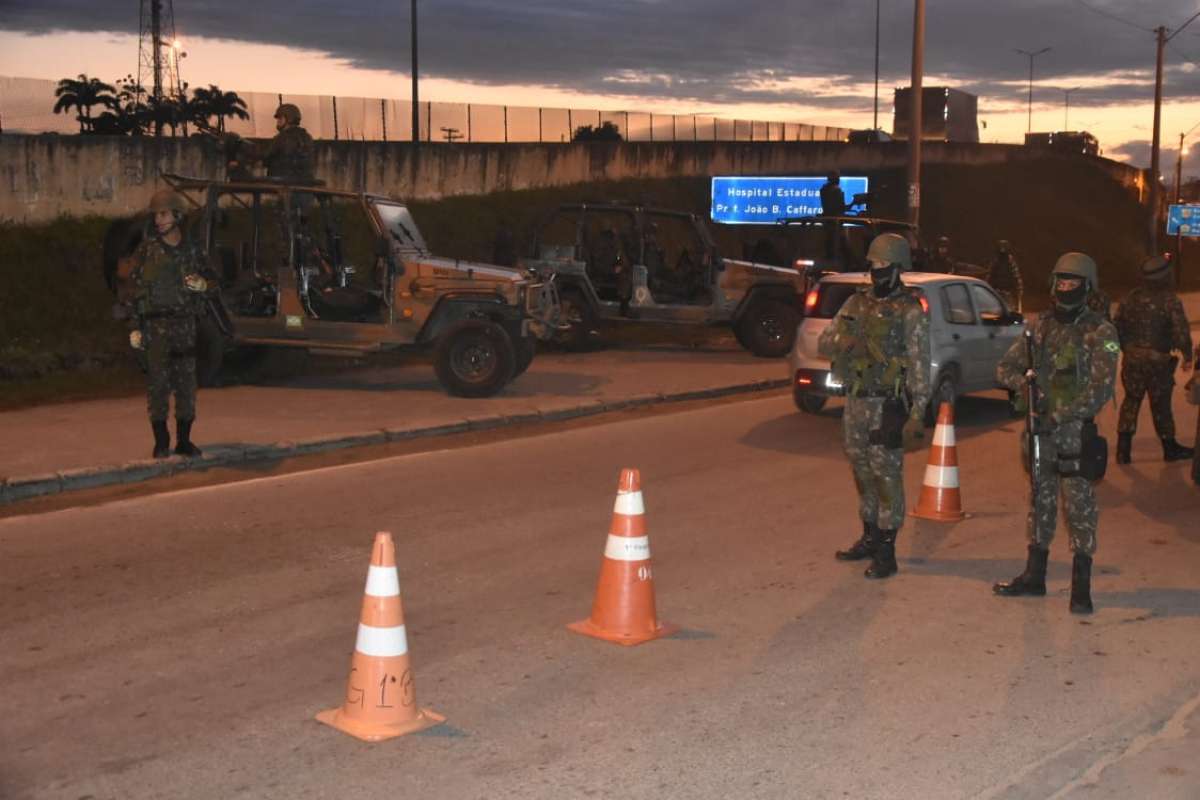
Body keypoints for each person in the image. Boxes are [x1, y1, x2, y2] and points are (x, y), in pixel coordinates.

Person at [993, 253, 1120, 614]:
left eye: (1072, 283)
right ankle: (1035, 577)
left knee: (1080, 508)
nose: (1064, 289)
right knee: (1040, 503)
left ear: (1087, 286)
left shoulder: (1101, 331)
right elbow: (1005, 367)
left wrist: (1061, 412)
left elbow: (1101, 387)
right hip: (1039, 433)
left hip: (1075, 434)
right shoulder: (1039, 327)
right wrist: (1027, 386)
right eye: (1060, 282)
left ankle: (1081, 588)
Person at [818, 233, 931, 580]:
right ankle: (868, 537)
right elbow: (826, 342)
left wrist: (917, 412)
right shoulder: (855, 304)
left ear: (899, 268)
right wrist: (848, 342)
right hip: (856, 401)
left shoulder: (909, 311)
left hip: (887, 404)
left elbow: (920, 363)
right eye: (874, 265)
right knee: (861, 471)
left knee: (886, 477)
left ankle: (887, 551)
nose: (878, 271)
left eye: (884, 265)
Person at [128, 189, 212, 459]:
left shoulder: (193, 249)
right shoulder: (146, 251)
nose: (158, 220)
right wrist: (134, 327)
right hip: (155, 328)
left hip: (185, 326)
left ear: (178, 215)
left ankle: (184, 440)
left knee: (186, 385)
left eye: (163, 214)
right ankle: (161, 441)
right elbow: (134, 291)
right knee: (158, 386)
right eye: (156, 215)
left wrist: (204, 285)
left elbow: (215, 283)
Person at [1113, 255, 1194, 463]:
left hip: (1132, 361)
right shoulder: (1170, 300)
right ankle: (1170, 448)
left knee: (1131, 401)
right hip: (1159, 362)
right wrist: (1188, 355)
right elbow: (1181, 331)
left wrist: (1124, 349)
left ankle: (1123, 450)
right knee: (1161, 405)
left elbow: (1115, 328)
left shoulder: (1130, 297)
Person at [262, 103, 316, 181]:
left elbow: (266, 159)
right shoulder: (307, 137)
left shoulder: (281, 137)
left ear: (288, 119)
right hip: (305, 183)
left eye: (280, 118)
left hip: (283, 184)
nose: (278, 121)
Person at [987, 240, 1024, 312]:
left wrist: (1019, 288)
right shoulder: (996, 260)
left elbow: (1016, 275)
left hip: (1007, 292)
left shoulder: (1010, 261)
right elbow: (990, 274)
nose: (1002, 250)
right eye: (1001, 248)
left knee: (1009, 311)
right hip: (997, 291)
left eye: (1004, 248)